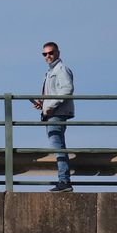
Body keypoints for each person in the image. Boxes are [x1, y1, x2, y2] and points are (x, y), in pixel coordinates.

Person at [32, 41, 74, 192]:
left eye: (51, 53)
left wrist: (50, 106)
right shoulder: (51, 71)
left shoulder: (61, 69)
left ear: (58, 53)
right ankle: (64, 180)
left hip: (57, 114)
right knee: (58, 147)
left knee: (58, 147)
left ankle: (64, 181)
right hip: (53, 113)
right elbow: (56, 93)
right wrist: (42, 104)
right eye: (45, 54)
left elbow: (67, 90)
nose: (48, 56)